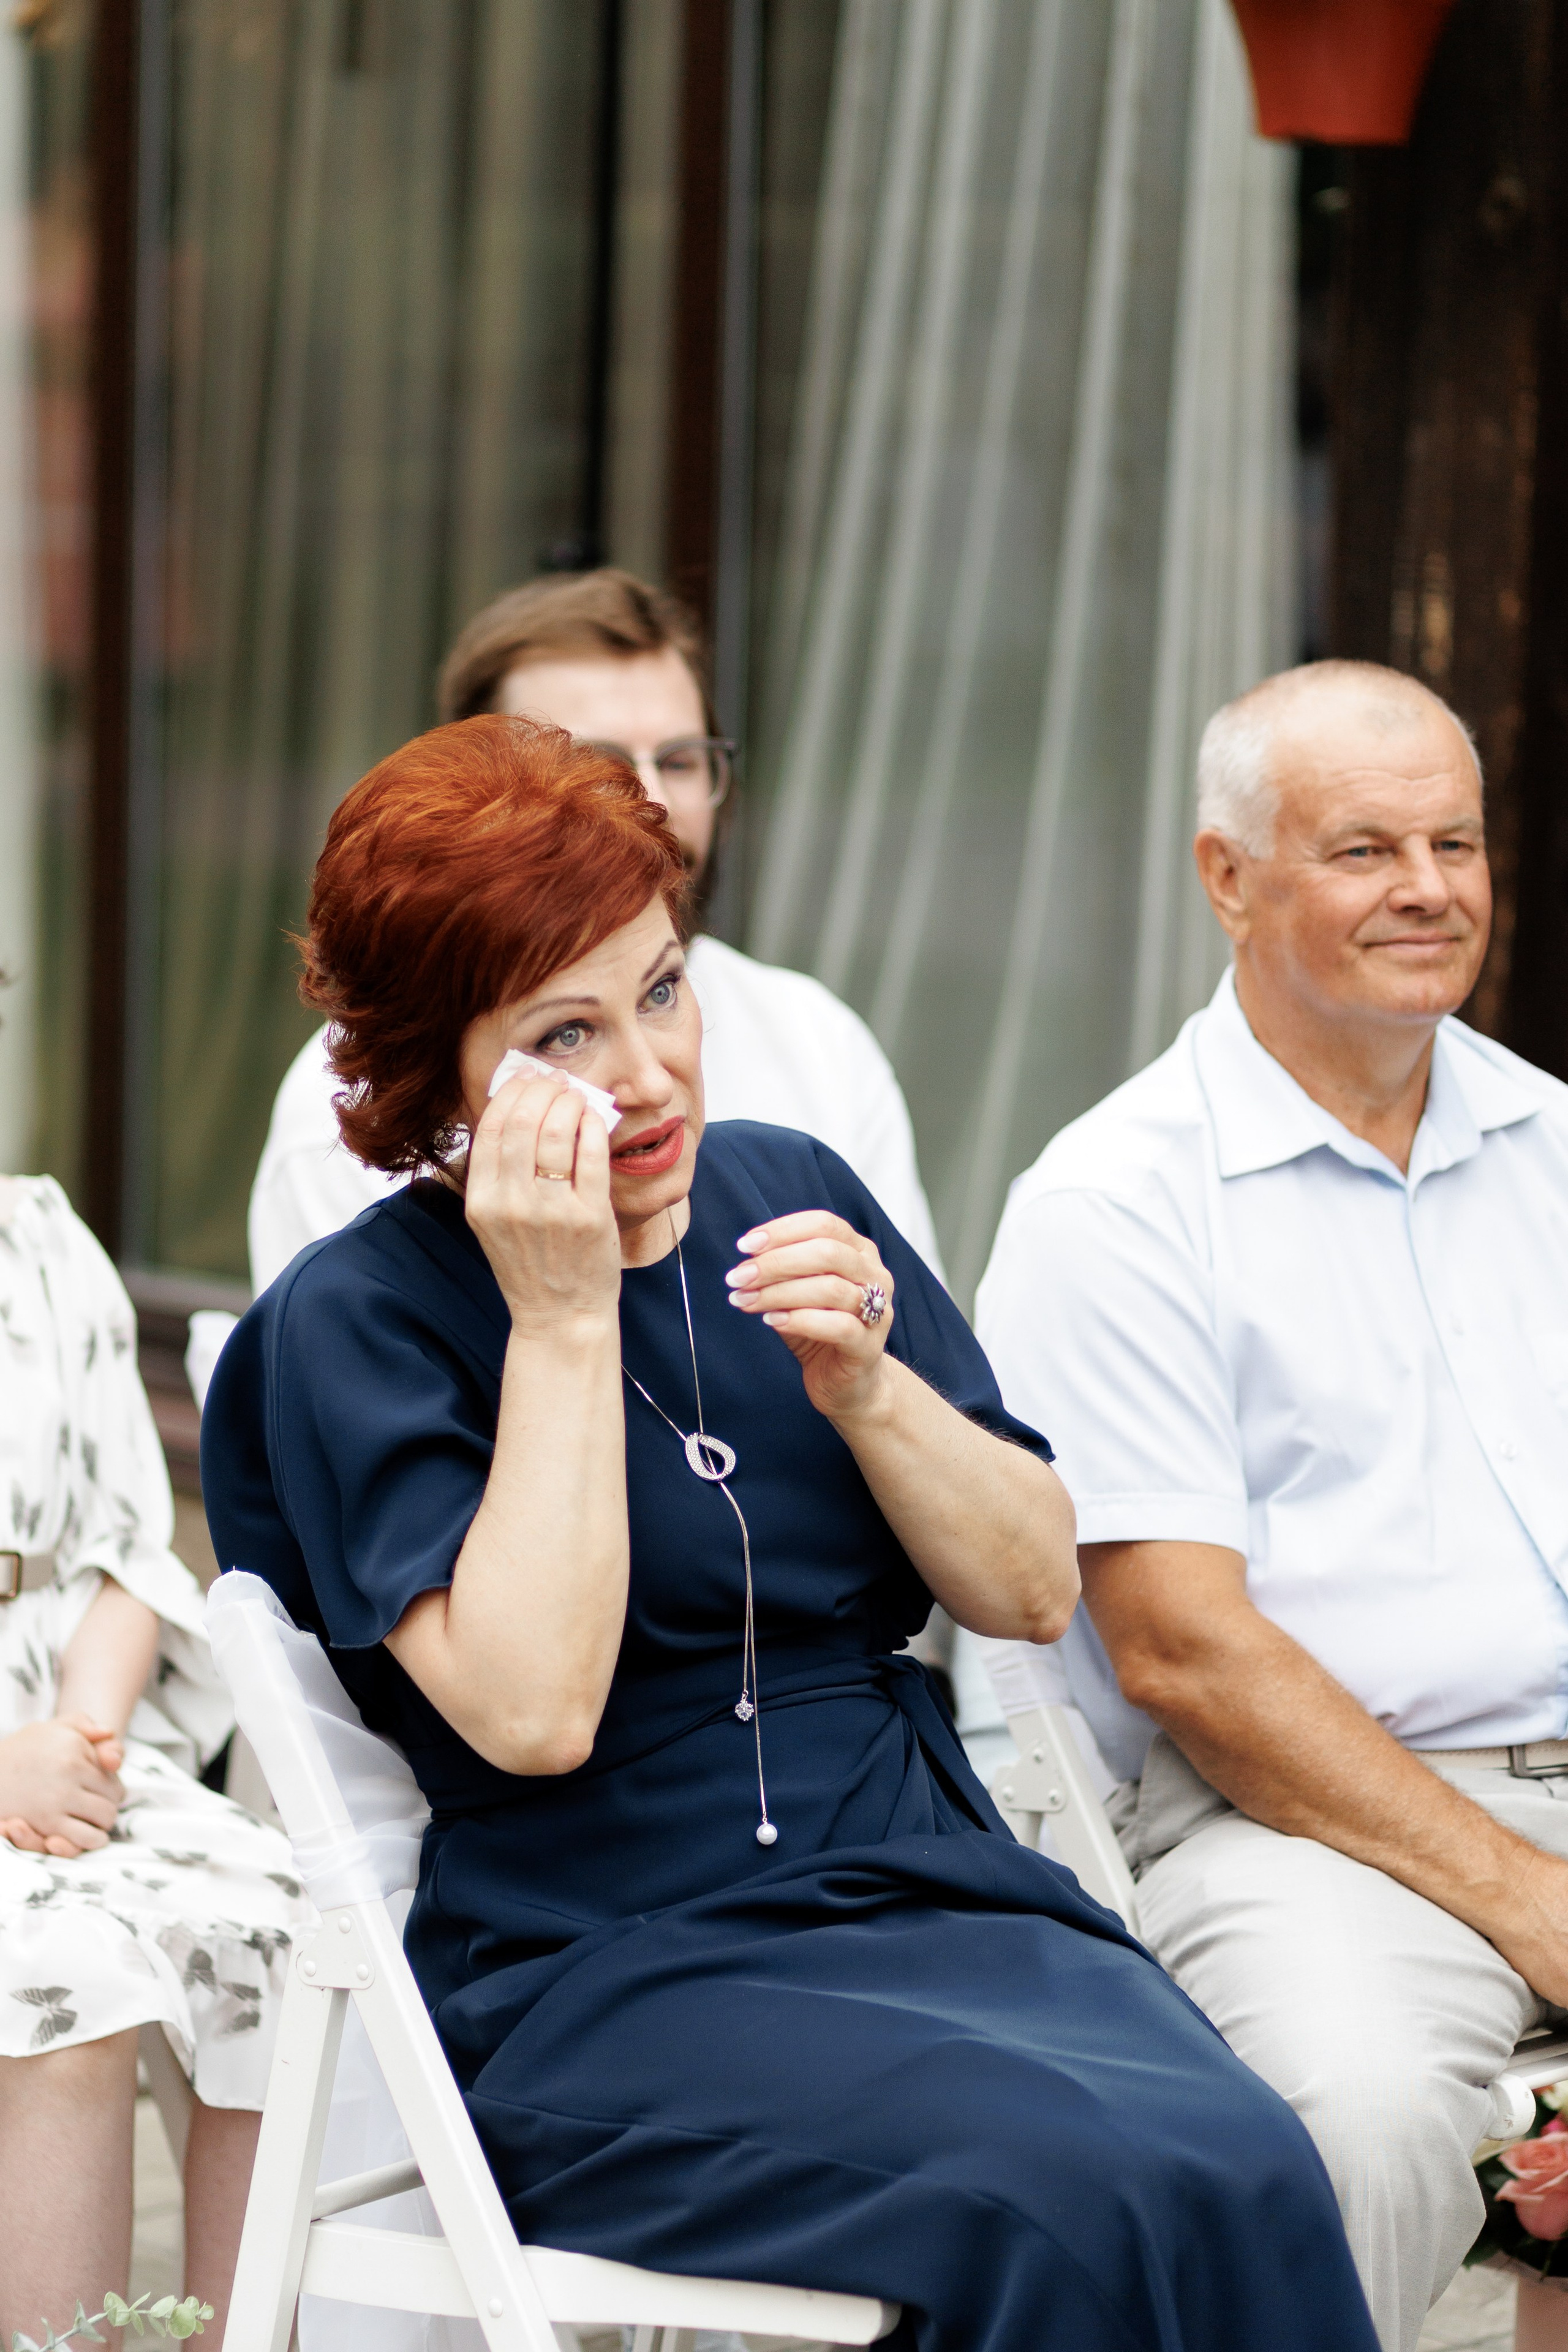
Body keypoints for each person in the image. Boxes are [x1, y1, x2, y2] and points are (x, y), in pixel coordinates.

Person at [202, 712, 1378, 2352]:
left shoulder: (783, 1185)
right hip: (607, 1975)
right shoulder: (358, 1322)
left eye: (663, 990)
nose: (650, 1072)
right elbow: (532, 1716)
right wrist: (561, 1320)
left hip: (930, 1893)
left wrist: (872, 1390)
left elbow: (1035, 1590)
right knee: (1061, 2201)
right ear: (436, 1079)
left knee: (1248, 2161)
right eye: (566, 1034)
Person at [976, 658, 1568, 2352]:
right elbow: (1186, 1657)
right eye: (1365, 850)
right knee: (1361, 2119)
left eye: (1454, 843)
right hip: (1299, 1820)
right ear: (1226, 877)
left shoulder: (1557, 1152)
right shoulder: (1120, 1204)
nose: (1431, 891)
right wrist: (1529, 1901)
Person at [247, 567, 940, 1292]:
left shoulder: (817, 1043)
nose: (656, 805)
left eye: (680, 759)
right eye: (596, 769)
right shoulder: (346, 1115)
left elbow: (923, 1359)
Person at [0, 1176, 312, 2349]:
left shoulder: (40, 1236)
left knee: (286, 1926)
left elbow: (132, 1546)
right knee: (68, 1975)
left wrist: (84, 1742)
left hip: (71, 1742)